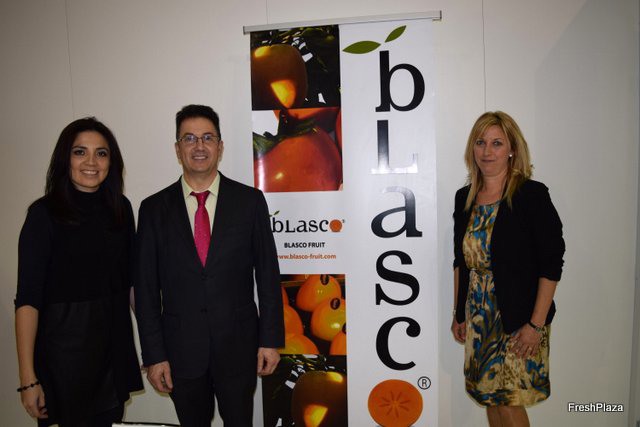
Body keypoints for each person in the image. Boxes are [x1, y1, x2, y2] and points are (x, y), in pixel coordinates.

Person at [135, 104, 284, 426]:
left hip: (239, 348)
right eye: (189, 138)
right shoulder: (153, 210)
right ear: (177, 149)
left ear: (220, 146)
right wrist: (154, 356)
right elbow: (145, 291)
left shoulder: (249, 202)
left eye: (207, 137)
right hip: (180, 353)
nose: (199, 146)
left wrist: (270, 340)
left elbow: (268, 276)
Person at [15, 117, 143, 426]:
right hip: (63, 358)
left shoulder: (121, 208)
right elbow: (28, 300)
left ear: (111, 162)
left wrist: (157, 346)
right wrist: (28, 378)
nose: (91, 162)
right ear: (65, 159)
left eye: (101, 153)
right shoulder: (43, 215)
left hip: (112, 351)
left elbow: (131, 285)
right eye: (79, 152)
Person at [451, 111, 565, 426]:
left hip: (519, 320)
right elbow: (461, 262)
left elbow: (551, 264)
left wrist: (535, 326)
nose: (487, 151)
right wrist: (459, 313)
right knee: (490, 398)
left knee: (511, 403)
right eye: (480, 142)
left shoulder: (531, 195)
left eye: (497, 143)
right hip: (479, 318)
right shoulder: (465, 198)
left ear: (512, 149)